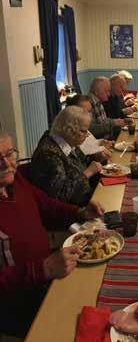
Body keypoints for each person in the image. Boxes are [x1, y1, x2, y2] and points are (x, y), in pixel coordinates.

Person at [0, 130, 103, 337]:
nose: (7, 163)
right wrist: (43, 269)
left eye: (9, 153)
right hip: (20, 302)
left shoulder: (15, 180)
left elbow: (45, 205)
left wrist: (80, 212)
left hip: (51, 272)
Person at [31, 106, 103, 206]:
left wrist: (96, 157)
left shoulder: (68, 141)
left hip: (89, 197)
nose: (87, 135)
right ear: (69, 129)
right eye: (83, 131)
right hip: (74, 211)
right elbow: (60, 195)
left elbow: (82, 162)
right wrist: (88, 172)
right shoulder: (48, 154)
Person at [66, 95, 113, 159]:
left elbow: (90, 143)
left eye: (90, 111)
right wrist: (103, 147)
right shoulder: (72, 130)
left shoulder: (82, 124)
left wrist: (101, 142)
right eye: (85, 112)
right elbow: (85, 153)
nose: (89, 115)